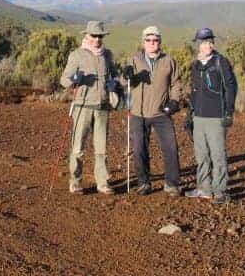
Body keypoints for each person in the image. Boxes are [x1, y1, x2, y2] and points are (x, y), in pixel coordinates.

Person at [59, 21, 121, 195]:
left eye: (100, 36)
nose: (97, 39)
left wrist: (114, 84)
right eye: (94, 36)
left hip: (102, 106)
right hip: (82, 106)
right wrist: (74, 79)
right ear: (86, 36)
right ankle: (76, 182)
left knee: (101, 148)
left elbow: (114, 75)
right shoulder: (77, 55)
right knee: (78, 147)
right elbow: (63, 80)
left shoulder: (107, 55)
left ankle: (102, 183)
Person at [123, 25, 183, 196]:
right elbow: (124, 82)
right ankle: (144, 182)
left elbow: (176, 83)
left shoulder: (169, 61)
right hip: (138, 112)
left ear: (160, 41)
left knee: (171, 147)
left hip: (161, 113)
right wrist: (126, 74)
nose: (152, 43)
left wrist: (174, 101)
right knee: (140, 148)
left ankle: (172, 184)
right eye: (148, 40)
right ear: (143, 42)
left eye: (155, 40)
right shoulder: (134, 60)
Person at [185, 27, 237, 204]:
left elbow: (231, 87)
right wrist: (190, 113)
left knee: (218, 154)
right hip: (199, 116)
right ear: (198, 45)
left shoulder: (220, 62)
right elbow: (194, 90)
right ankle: (204, 189)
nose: (208, 45)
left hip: (216, 116)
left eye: (210, 41)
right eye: (204, 42)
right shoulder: (196, 65)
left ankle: (220, 191)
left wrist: (229, 111)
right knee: (201, 155)